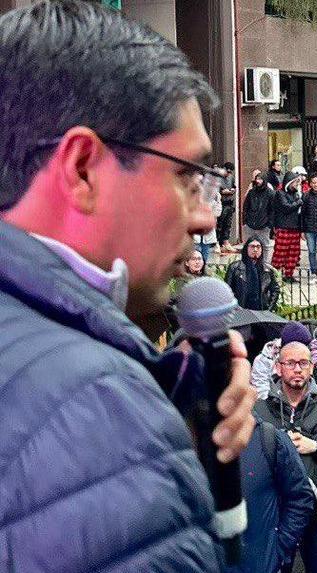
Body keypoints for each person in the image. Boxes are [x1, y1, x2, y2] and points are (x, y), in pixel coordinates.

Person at [0, 5, 258, 569]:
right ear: (83, 169)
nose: (206, 218)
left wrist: (174, 422)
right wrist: (135, 431)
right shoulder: (92, 399)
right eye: (187, 175)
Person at [253, 341, 317, 573]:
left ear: (311, 367)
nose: (297, 369)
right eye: (290, 363)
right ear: (278, 368)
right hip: (274, 518)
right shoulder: (259, 411)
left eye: (303, 363)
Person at [228, 420, 316, 573]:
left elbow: (300, 497)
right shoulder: (188, 438)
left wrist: (279, 549)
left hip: (260, 564)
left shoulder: (268, 438)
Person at [225, 236, 280, 311]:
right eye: (252, 246)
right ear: (246, 249)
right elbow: (227, 290)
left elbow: (275, 289)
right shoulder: (235, 267)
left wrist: (269, 308)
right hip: (241, 310)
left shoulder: (267, 269)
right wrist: (235, 307)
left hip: (261, 310)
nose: (255, 249)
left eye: (258, 247)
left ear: (261, 250)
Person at [273, 171, 305, 281]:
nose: (297, 185)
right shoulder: (280, 193)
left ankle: (289, 274)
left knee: (293, 253)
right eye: (296, 182)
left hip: (295, 228)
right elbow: (286, 207)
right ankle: (275, 274)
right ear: (289, 183)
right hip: (283, 227)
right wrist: (299, 202)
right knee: (280, 253)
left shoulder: (296, 194)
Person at [242, 170, 275, 262]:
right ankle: (247, 264)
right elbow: (246, 207)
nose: (258, 181)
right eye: (257, 179)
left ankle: (264, 265)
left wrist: (269, 225)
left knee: (265, 246)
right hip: (250, 225)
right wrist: (244, 222)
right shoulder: (251, 192)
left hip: (264, 226)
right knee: (248, 246)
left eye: (260, 179)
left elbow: (273, 210)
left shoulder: (270, 193)